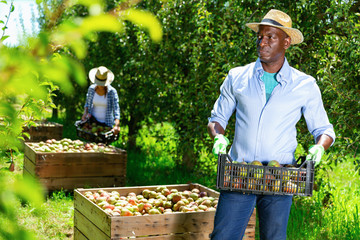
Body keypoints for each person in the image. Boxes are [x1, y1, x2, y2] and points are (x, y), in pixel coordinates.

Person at [207, 9, 335, 240]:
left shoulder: (304, 84)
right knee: (223, 236)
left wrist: (319, 147)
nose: (262, 42)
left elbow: (324, 129)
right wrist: (218, 136)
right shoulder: (237, 77)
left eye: (270, 37)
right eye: (260, 36)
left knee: (274, 237)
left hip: (280, 177)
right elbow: (217, 119)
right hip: (239, 173)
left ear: (286, 42)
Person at [82, 66, 121, 135]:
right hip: (93, 123)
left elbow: (116, 109)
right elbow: (87, 104)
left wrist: (117, 125)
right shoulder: (91, 89)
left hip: (106, 124)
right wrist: (85, 113)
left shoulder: (112, 91)